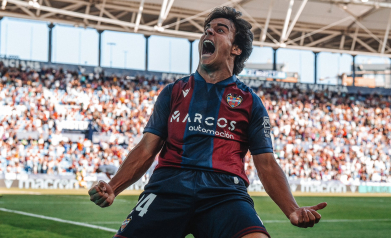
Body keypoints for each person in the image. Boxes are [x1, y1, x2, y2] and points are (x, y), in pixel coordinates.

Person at [88, 6, 327, 238]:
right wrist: (114, 186)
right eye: (207, 29)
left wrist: (292, 209)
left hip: (225, 192)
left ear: (236, 49)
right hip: (168, 187)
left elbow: (266, 163)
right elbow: (146, 148)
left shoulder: (251, 102)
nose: (208, 32)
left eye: (220, 30)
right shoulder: (172, 92)